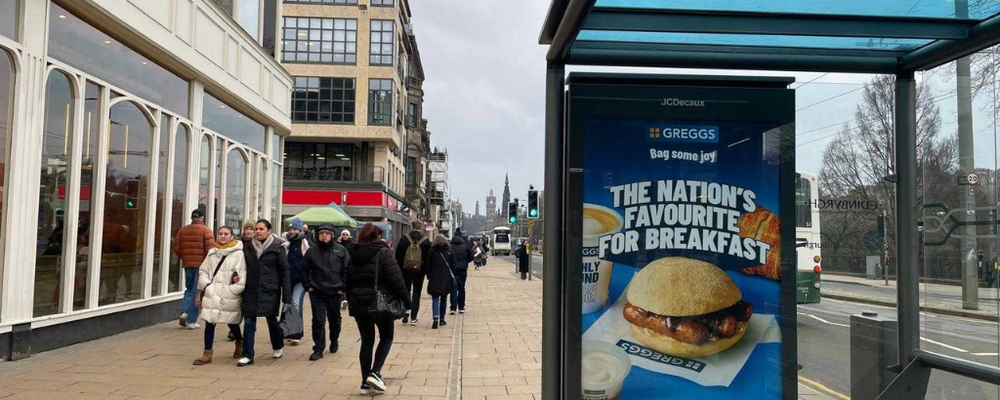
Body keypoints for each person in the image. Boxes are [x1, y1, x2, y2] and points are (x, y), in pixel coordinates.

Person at [346, 223, 410, 394]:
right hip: (380, 302)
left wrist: (350, 301)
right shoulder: (383, 252)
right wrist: (407, 302)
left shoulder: (354, 254)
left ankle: (365, 383)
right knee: (387, 337)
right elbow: (397, 279)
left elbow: (348, 281)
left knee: (367, 341)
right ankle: (375, 373)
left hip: (359, 304)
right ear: (376, 237)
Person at [238, 219, 292, 367]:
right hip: (251, 289)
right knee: (249, 322)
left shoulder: (277, 247)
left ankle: (277, 345)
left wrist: (287, 296)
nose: (258, 231)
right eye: (256, 229)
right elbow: (240, 266)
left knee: (271, 320)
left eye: (261, 229)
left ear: (269, 230)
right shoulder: (247, 247)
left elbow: (285, 271)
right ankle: (247, 354)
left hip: (269, 290)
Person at [193, 226, 246, 365]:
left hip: (228, 294)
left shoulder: (238, 253)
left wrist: (232, 290)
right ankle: (207, 353)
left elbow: (242, 275)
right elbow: (203, 270)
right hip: (212, 292)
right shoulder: (212, 253)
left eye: (226, 234)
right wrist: (206, 285)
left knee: (231, 321)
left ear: (231, 236)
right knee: (209, 322)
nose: (222, 236)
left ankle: (239, 342)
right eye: (220, 233)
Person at [302, 223, 349, 360]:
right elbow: (304, 269)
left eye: (327, 233)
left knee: (335, 319)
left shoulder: (341, 250)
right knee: (318, 320)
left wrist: (343, 288)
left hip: (335, 291)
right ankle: (318, 348)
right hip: (317, 291)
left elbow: (347, 269)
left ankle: (334, 339)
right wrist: (308, 286)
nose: (324, 235)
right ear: (317, 235)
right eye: (321, 233)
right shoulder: (311, 251)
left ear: (332, 235)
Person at [172, 209, 215, 329]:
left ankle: (184, 312)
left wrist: (184, 258)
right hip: (200, 266)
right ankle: (191, 320)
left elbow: (177, 247)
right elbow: (210, 250)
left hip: (188, 265)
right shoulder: (206, 230)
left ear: (192, 218)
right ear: (202, 218)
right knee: (197, 292)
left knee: (189, 289)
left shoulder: (183, 230)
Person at [395, 220, 430, 326]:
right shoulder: (425, 240)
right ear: (421, 228)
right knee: (416, 293)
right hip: (419, 271)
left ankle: (405, 312)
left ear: (411, 226)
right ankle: (414, 318)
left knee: (406, 290)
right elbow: (428, 258)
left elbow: (398, 255)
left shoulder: (404, 238)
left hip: (405, 269)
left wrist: (400, 268)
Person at [282, 218, 311, 345]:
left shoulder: (304, 243)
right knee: (287, 303)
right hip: (288, 279)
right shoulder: (285, 242)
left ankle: (297, 333)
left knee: (295, 302)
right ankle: (288, 330)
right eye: (291, 229)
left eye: (295, 229)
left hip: (301, 279)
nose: (292, 231)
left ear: (300, 230)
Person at [426, 234, 454, 329]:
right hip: (446, 278)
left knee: (435, 298)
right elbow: (454, 265)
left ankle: (435, 317)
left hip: (434, 278)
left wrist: (429, 276)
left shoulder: (432, 251)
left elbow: (428, 265)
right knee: (444, 299)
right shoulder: (450, 251)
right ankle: (442, 319)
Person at [449, 228, 473, 315]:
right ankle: (461, 307)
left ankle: (453, 307)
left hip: (453, 269)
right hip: (462, 269)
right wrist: (465, 262)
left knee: (453, 288)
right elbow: (471, 257)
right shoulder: (465, 245)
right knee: (462, 288)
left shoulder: (450, 245)